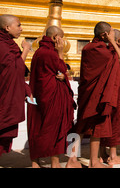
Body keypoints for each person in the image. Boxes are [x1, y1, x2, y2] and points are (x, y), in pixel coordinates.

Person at [27, 26, 77, 168]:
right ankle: (55, 163)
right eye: (62, 37)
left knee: (38, 127)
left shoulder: (38, 52)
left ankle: (35, 162)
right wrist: (60, 53)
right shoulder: (50, 53)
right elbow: (61, 68)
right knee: (54, 130)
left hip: (41, 95)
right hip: (51, 97)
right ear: (56, 38)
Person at [75, 21, 120, 168]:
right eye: (111, 33)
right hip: (97, 95)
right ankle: (93, 162)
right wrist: (113, 43)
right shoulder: (104, 52)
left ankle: (72, 160)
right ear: (105, 35)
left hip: (87, 93)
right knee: (97, 126)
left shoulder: (88, 47)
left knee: (81, 126)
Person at [0, 15, 32, 157]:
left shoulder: (10, 44)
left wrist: (26, 90)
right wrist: (25, 50)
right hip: (3, 96)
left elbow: (18, 72)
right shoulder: (1, 45)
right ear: (7, 28)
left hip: (10, 95)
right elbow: (15, 69)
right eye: (18, 25)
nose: (21, 28)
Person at [99, 29, 120, 165]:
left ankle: (101, 154)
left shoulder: (104, 52)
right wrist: (114, 43)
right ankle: (112, 155)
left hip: (107, 93)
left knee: (106, 122)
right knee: (116, 122)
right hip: (118, 93)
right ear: (118, 41)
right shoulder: (113, 54)